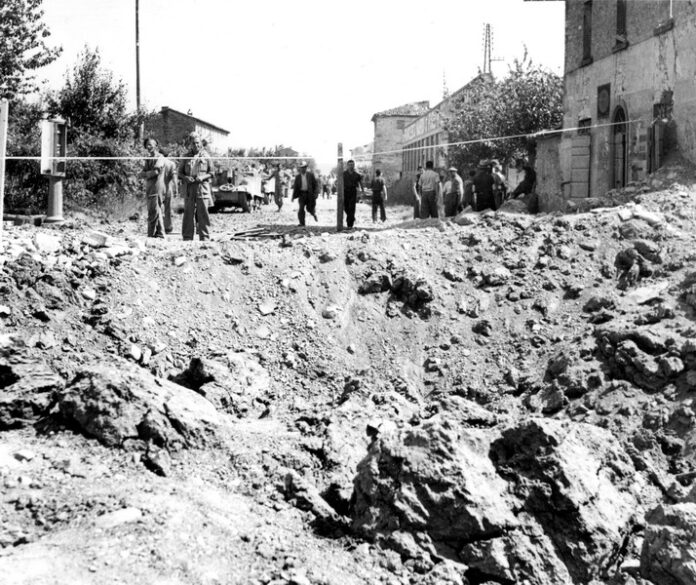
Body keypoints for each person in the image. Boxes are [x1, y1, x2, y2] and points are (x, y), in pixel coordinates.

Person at [179, 132, 214, 241]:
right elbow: (179, 173)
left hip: (202, 188)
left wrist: (203, 177)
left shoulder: (206, 156)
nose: (196, 145)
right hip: (189, 188)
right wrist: (186, 178)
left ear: (201, 144)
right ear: (190, 144)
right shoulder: (185, 157)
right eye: (193, 143)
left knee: (203, 213)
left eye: (198, 143)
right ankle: (187, 237)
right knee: (188, 213)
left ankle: (205, 237)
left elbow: (212, 173)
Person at [138, 138, 166, 238]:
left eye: (150, 145)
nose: (148, 147)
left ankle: (151, 235)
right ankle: (160, 234)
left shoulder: (160, 157)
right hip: (150, 188)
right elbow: (143, 172)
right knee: (155, 210)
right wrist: (143, 174)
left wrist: (144, 174)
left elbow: (156, 172)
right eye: (147, 145)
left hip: (157, 187)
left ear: (156, 146)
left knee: (153, 212)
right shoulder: (149, 158)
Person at [292, 162, 318, 226]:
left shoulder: (310, 175)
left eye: (304, 167)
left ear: (306, 168)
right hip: (301, 194)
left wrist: (315, 194)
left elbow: (315, 185)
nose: (303, 169)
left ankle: (313, 214)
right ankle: (302, 223)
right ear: (300, 168)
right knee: (301, 209)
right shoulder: (297, 177)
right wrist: (293, 196)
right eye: (301, 168)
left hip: (309, 195)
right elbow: (295, 187)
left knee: (309, 209)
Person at [343, 159, 365, 229]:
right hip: (345, 191)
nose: (351, 166)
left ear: (354, 165)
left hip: (353, 191)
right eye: (350, 165)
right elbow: (338, 182)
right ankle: (351, 217)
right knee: (346, 207)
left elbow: (361, 183)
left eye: (352, 165)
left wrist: (362, 191)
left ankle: (350, 225)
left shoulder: (357, 175)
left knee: (352, 207)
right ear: (347, 165)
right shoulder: (344, 174)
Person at [161, 148, 178, 234]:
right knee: (167, 209)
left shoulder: (157, 162)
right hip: (168, 188)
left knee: (158, 208)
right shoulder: (171, 163)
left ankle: (158, 226)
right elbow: (174, 177)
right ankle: (168, 227)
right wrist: (176, 188)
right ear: (168, 155)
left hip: (158, 188)